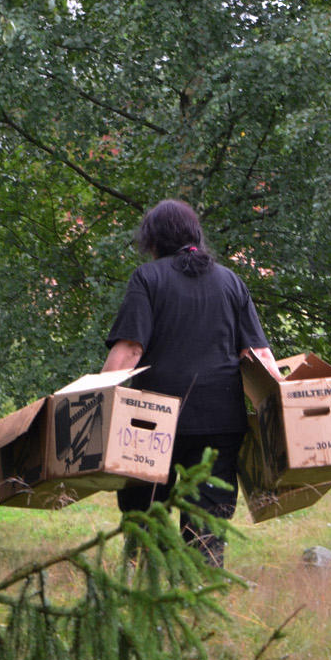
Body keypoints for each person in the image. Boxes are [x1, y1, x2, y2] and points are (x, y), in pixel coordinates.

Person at [104, 199, 282, 567]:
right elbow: (259, 356)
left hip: (151, 423)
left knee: (143, 516)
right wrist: (285, 408)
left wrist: (94, 402)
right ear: (194, 235)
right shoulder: (231, 281)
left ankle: (143, 585)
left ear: (154, 240)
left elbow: (131, 349)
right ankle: (203, 587)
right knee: (206, 525)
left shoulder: (147, 278)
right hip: (219, 425)